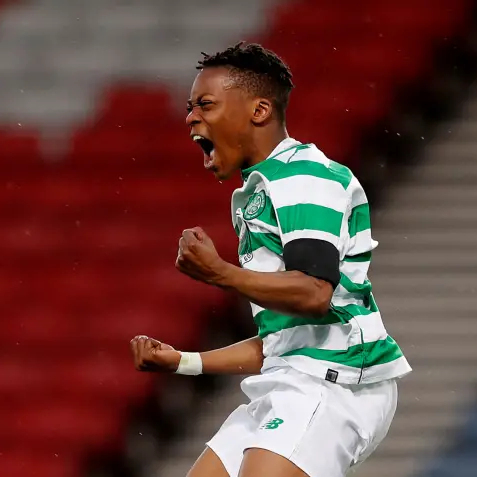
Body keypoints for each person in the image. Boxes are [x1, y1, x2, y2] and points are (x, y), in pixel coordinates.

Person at [129, 43, 411, 477]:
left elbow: (315, 293)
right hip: (290, 382)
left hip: (335, 383)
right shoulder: (258, 194)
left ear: (258, 111)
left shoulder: (304, 177)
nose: (191, 117)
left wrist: (220, 273)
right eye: (190, 107)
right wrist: (185, 361)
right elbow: (283, 344)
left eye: (205, 104)